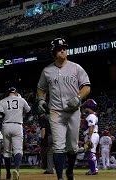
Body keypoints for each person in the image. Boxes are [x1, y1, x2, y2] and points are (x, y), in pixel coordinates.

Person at [37, 37, 91, 180]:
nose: (62, 50)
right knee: (58, 146)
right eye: (59, 49)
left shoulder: (76, 67)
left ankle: (70, 171)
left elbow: (86, 86)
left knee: (72, 147)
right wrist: (41, 100)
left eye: (64, 48)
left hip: (73, 111)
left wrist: (79, 97)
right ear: (53, 52)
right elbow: (41, 88)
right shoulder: (47, 71)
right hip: (55, 112)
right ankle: (60, 177)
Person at [0, 87, 31, 180]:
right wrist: (23, 116)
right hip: (17, 125)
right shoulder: (21, 100)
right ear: (16, 92)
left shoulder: (2, 101)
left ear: (8, 93)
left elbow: (0, 117)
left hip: (5, 126)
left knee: (7, 152)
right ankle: (16, 169)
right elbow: (29, 111)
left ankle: (8, 174)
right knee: (18, 150)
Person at [81, 99, 99, 175]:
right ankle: (94, 169)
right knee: (90, 153)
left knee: (90, 153)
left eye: (85, 107)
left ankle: (93, 170)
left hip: (91, 135)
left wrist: (89, 138)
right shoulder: (92, 115)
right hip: (91, 135)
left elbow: (91, 127)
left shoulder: (91, 115)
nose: (84, 109)